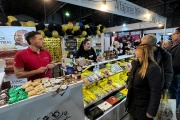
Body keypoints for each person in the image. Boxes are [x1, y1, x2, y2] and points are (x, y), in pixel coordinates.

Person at [125, 44, 162, 120]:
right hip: (132, 105)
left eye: (137, 49)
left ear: (144, 52)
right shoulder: (135, 64)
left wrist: (151, 111)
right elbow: (130, 81)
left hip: (144, 108)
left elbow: (155, 91)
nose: (135, 51)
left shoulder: (153, 68)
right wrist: (130, 73)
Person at [169, 27, 180, 113]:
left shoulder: (178, 46)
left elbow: (176, 63)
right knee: (177, 91)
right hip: (176, 73)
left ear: (178, 34)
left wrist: (169, 71)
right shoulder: (176, 44)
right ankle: (175, 109)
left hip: (175, 73)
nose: (172, 35)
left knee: (174, 92)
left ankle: (172, 111)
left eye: (173, 34)